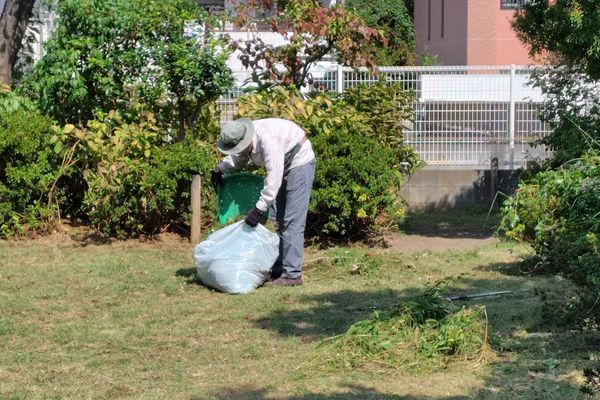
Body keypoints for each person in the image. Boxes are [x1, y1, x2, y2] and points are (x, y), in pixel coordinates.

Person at [211, 118, 316, 286]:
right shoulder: (243, 135)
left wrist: (259, 208)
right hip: (283, 163)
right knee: (280, 220)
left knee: (292, 222)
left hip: (299, 163)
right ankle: (279, 268)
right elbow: (240, 157)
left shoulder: (268, 140)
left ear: (245, 141)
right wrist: (220, 169)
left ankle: (292, 275)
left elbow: (273, 178)